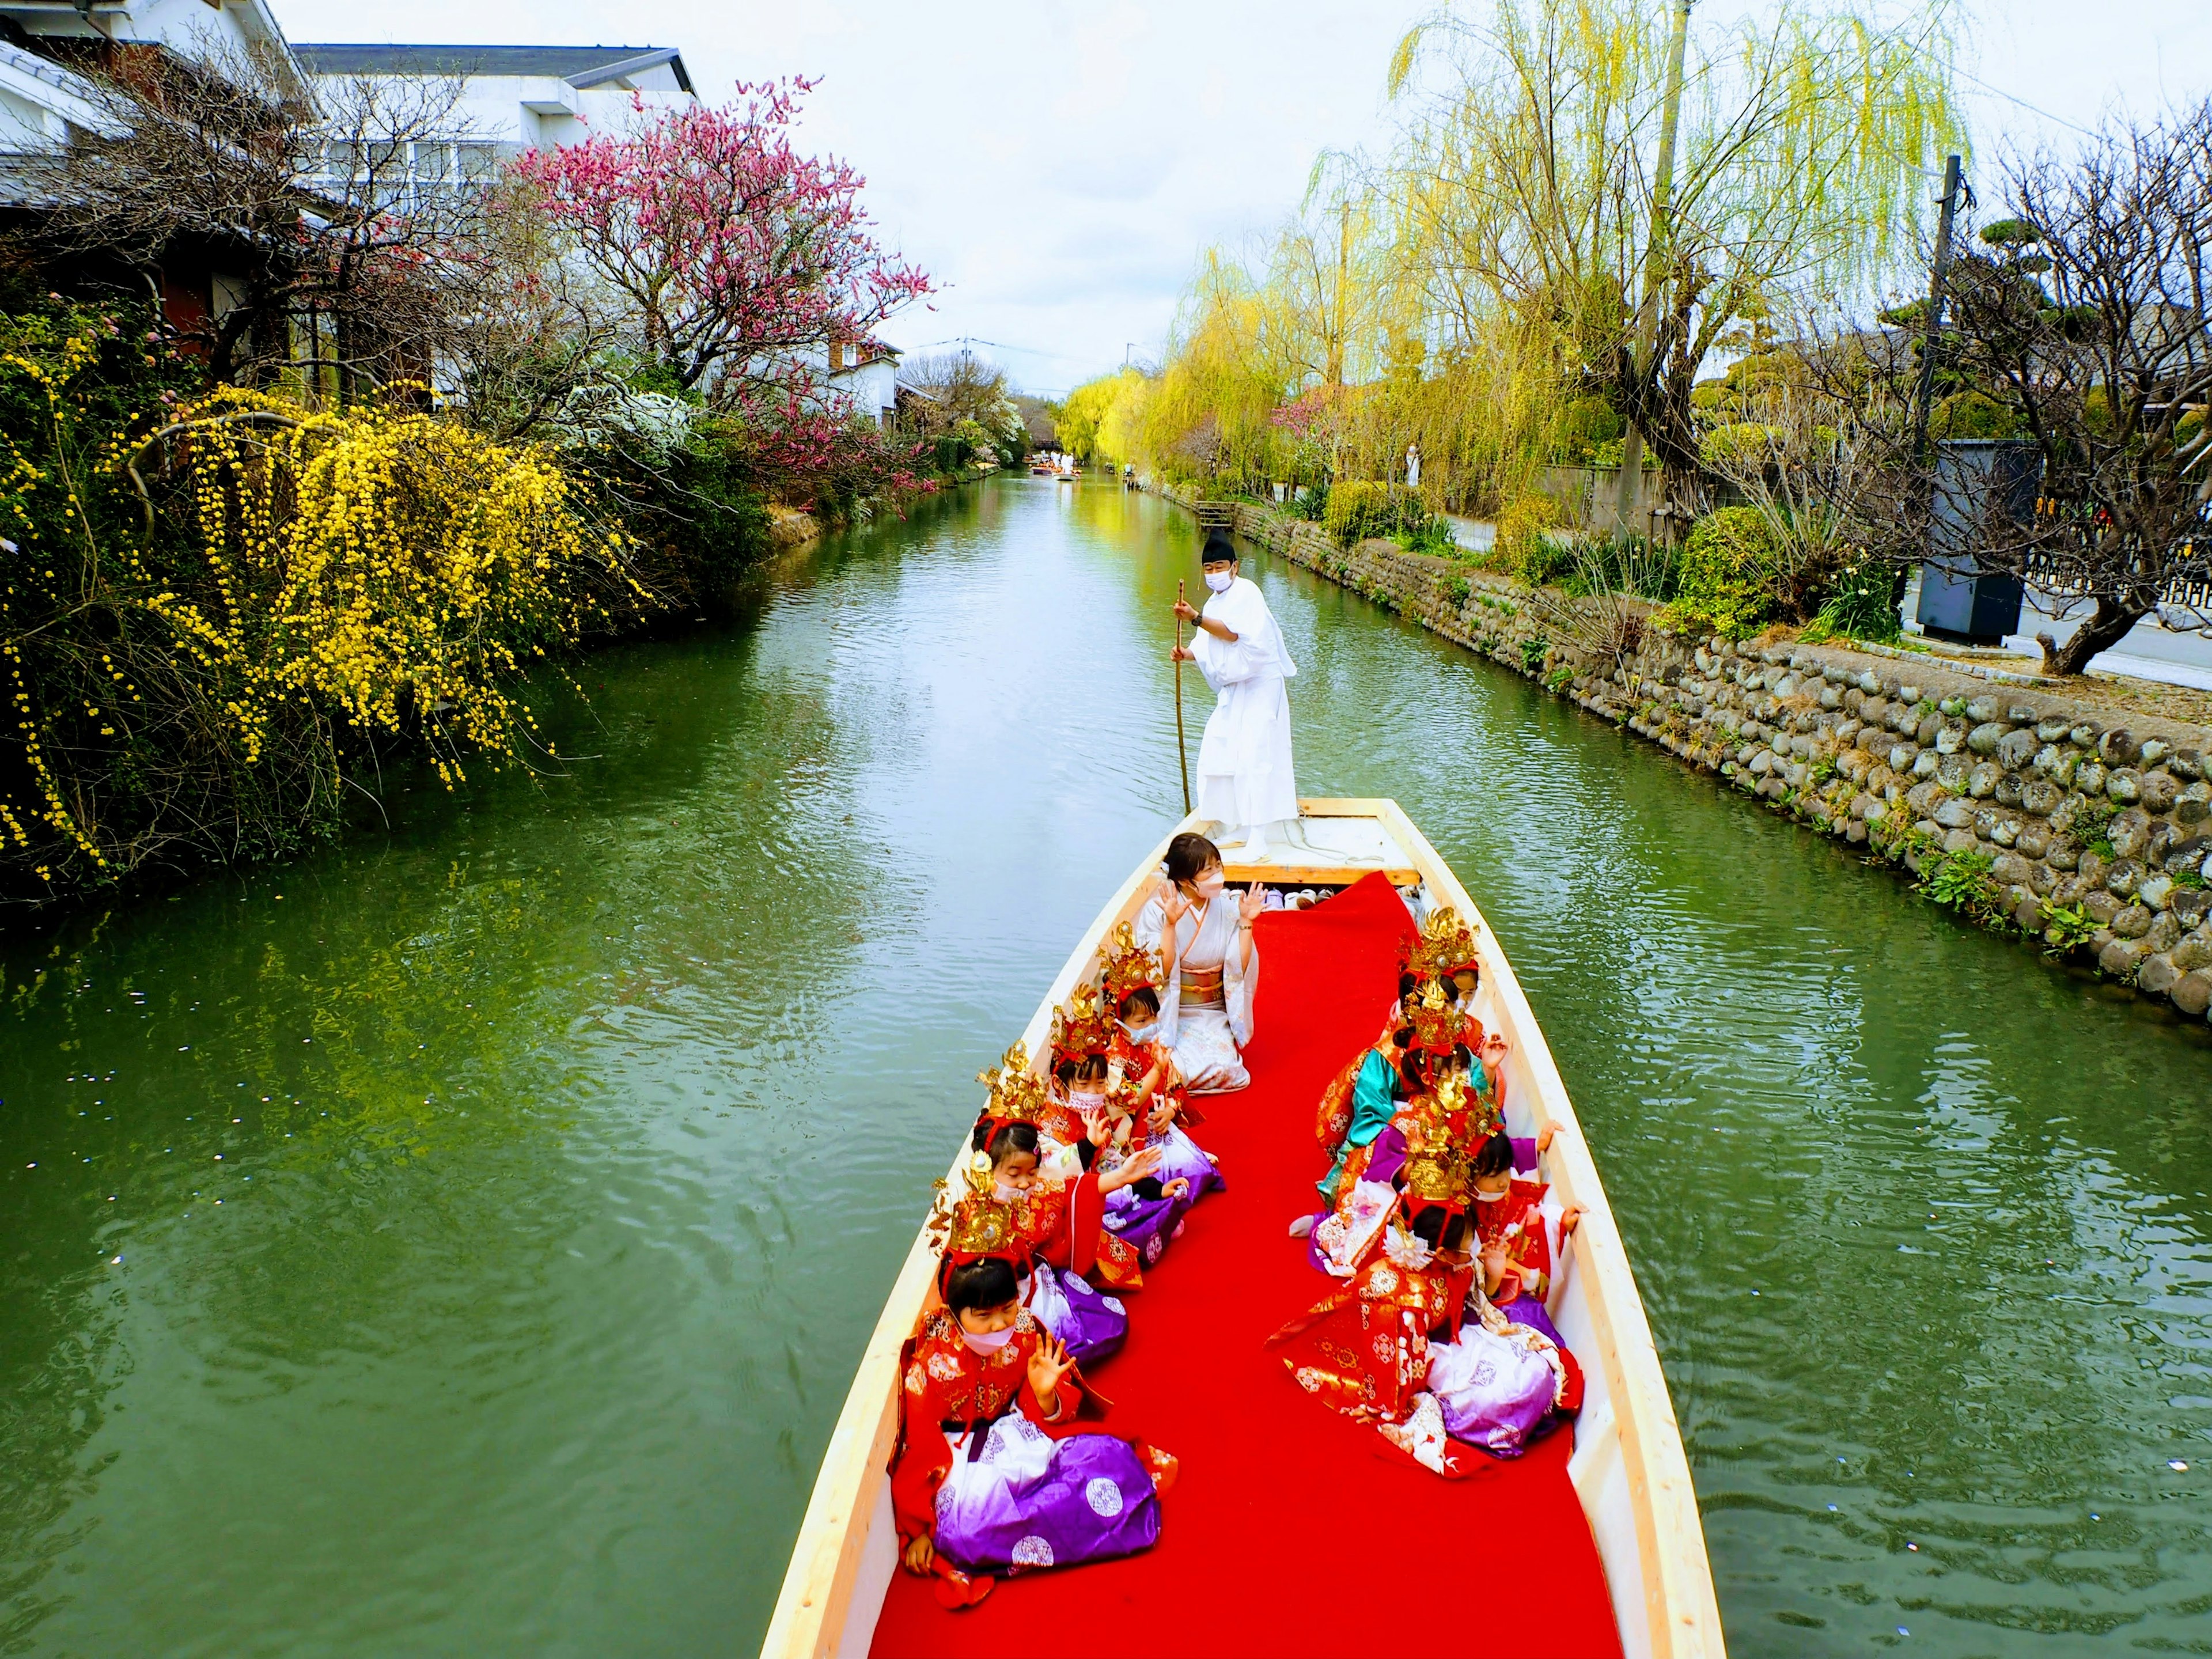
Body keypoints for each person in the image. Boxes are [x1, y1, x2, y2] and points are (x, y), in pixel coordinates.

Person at [895, 1183, 1175, 1608]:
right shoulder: (932, 1362)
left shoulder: (1026, 1330)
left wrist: (1046, 1397)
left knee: (1114, 1461)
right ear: (955, 1311)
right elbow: (918, 1447)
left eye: (1007, 1307)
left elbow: (1046, 1402)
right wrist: (917, 1530)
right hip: (959, 1458)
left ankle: (1035, 1532)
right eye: (983, 1315)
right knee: (962, 1536)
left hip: (1019, 1432)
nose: (999, 1324)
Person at [1171, 529, 1298, 859]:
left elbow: (1232, 636)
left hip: (1260, 684)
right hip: (1237, 688)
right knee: (1223, 747)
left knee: (1255, 755)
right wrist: (1187, 654)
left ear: (1235, 566)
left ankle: (1259, 835)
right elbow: (1210, 645)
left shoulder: (1248, 593)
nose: (1214, 573)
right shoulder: (1217, 600)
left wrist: (1196, 618)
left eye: (1220, 566)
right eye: (1208, 568)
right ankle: (1239, 822)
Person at [1134, 831, 1263, 1093]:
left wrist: (1246, 921)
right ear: (1184, 880)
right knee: (1168, 1065)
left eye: (1218, 866)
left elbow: (1238, 969)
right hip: (1170, 1010)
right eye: (1208, 870)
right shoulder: (1157, 911)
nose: (1217, 874)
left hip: (1212, 1009)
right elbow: (1158, 973)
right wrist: (1170, 925)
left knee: (1229, 1071)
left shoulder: (1227, 906)